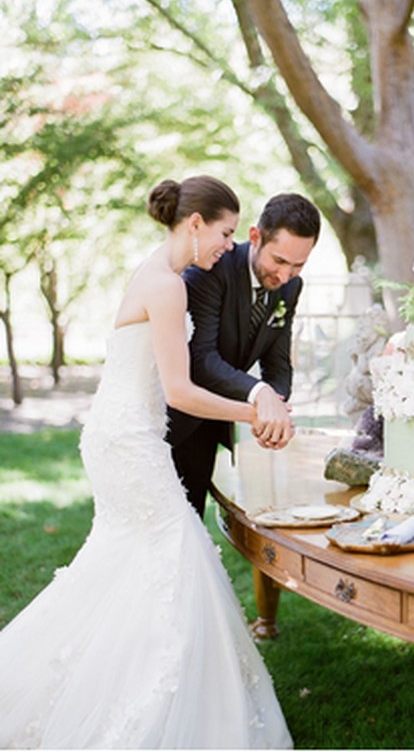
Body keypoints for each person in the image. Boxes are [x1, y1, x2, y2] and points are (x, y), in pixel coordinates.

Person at [0, 176, 293, 749]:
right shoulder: (168, 286)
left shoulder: (158, 274)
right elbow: (181, 392)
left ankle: (105, 685)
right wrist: (256, 409)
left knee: (128, 566)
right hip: (130, 442)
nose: (229, 245)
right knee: (174, 556)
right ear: (195, 223)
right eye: (226, 232)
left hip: (122, 434)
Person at [168, 192, 320, 519]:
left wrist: (274, 409)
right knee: (170, 525)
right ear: (255, 237)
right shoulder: (208, 270)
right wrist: (259, 393)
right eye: (279, 261)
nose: (285, 276)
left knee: (191, 522)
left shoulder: (291, 287)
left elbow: (278, 361)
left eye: (298, 265)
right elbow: (201, 358)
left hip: (215, 422)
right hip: (174, 423)